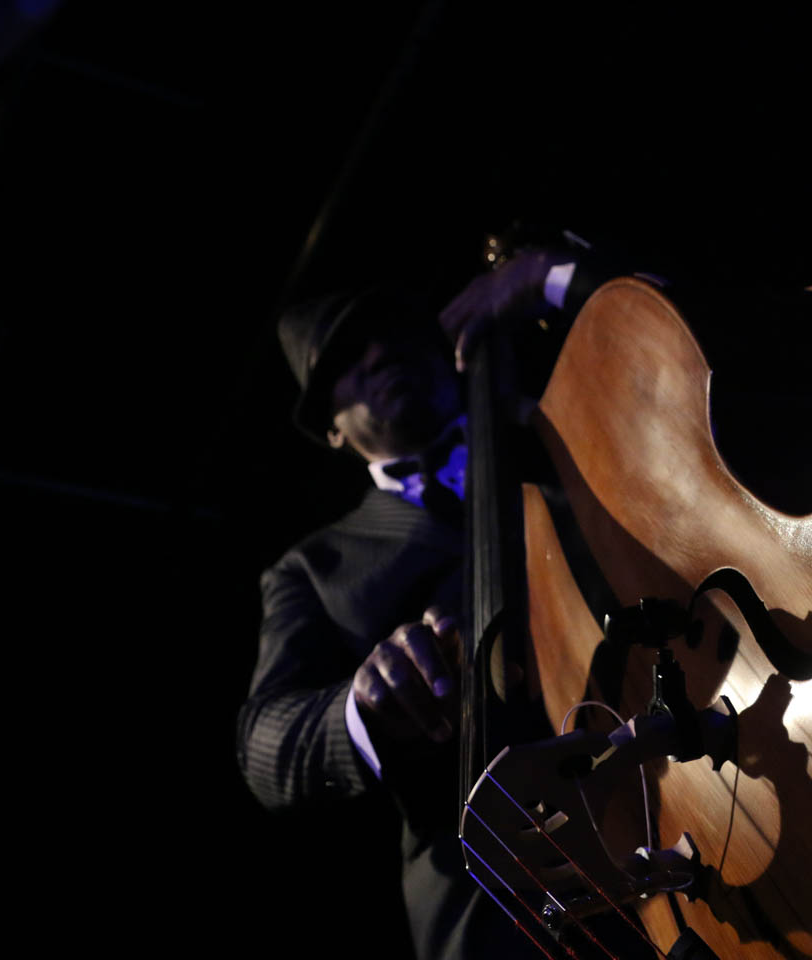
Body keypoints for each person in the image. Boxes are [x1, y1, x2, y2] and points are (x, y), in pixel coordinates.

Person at [236, 247, 597, 958]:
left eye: (397, 334)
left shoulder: (561, 441)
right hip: (494, 886)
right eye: (349, 358)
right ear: (331, 427)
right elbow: (262, 741)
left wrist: (556, 277)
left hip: (666, 798)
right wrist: (361, 706)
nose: (381, 354)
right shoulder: (315, 566)